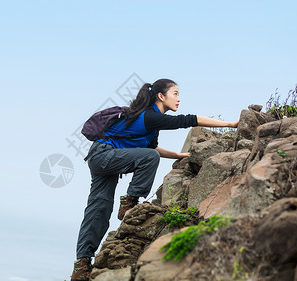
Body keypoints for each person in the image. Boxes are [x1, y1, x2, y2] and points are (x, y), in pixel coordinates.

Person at [70, 79, 239, 281]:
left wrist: (176, 155)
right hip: (103, 155)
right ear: (161, 96)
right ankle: (130, 201)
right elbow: (188, 120)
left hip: (104, 158)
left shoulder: (150, 124)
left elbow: (151, 149)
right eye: (175, 93)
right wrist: (230, 124)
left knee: (99, 209)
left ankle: (82, 265)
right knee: (147, 161)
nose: (179, 98)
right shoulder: (150, 116)